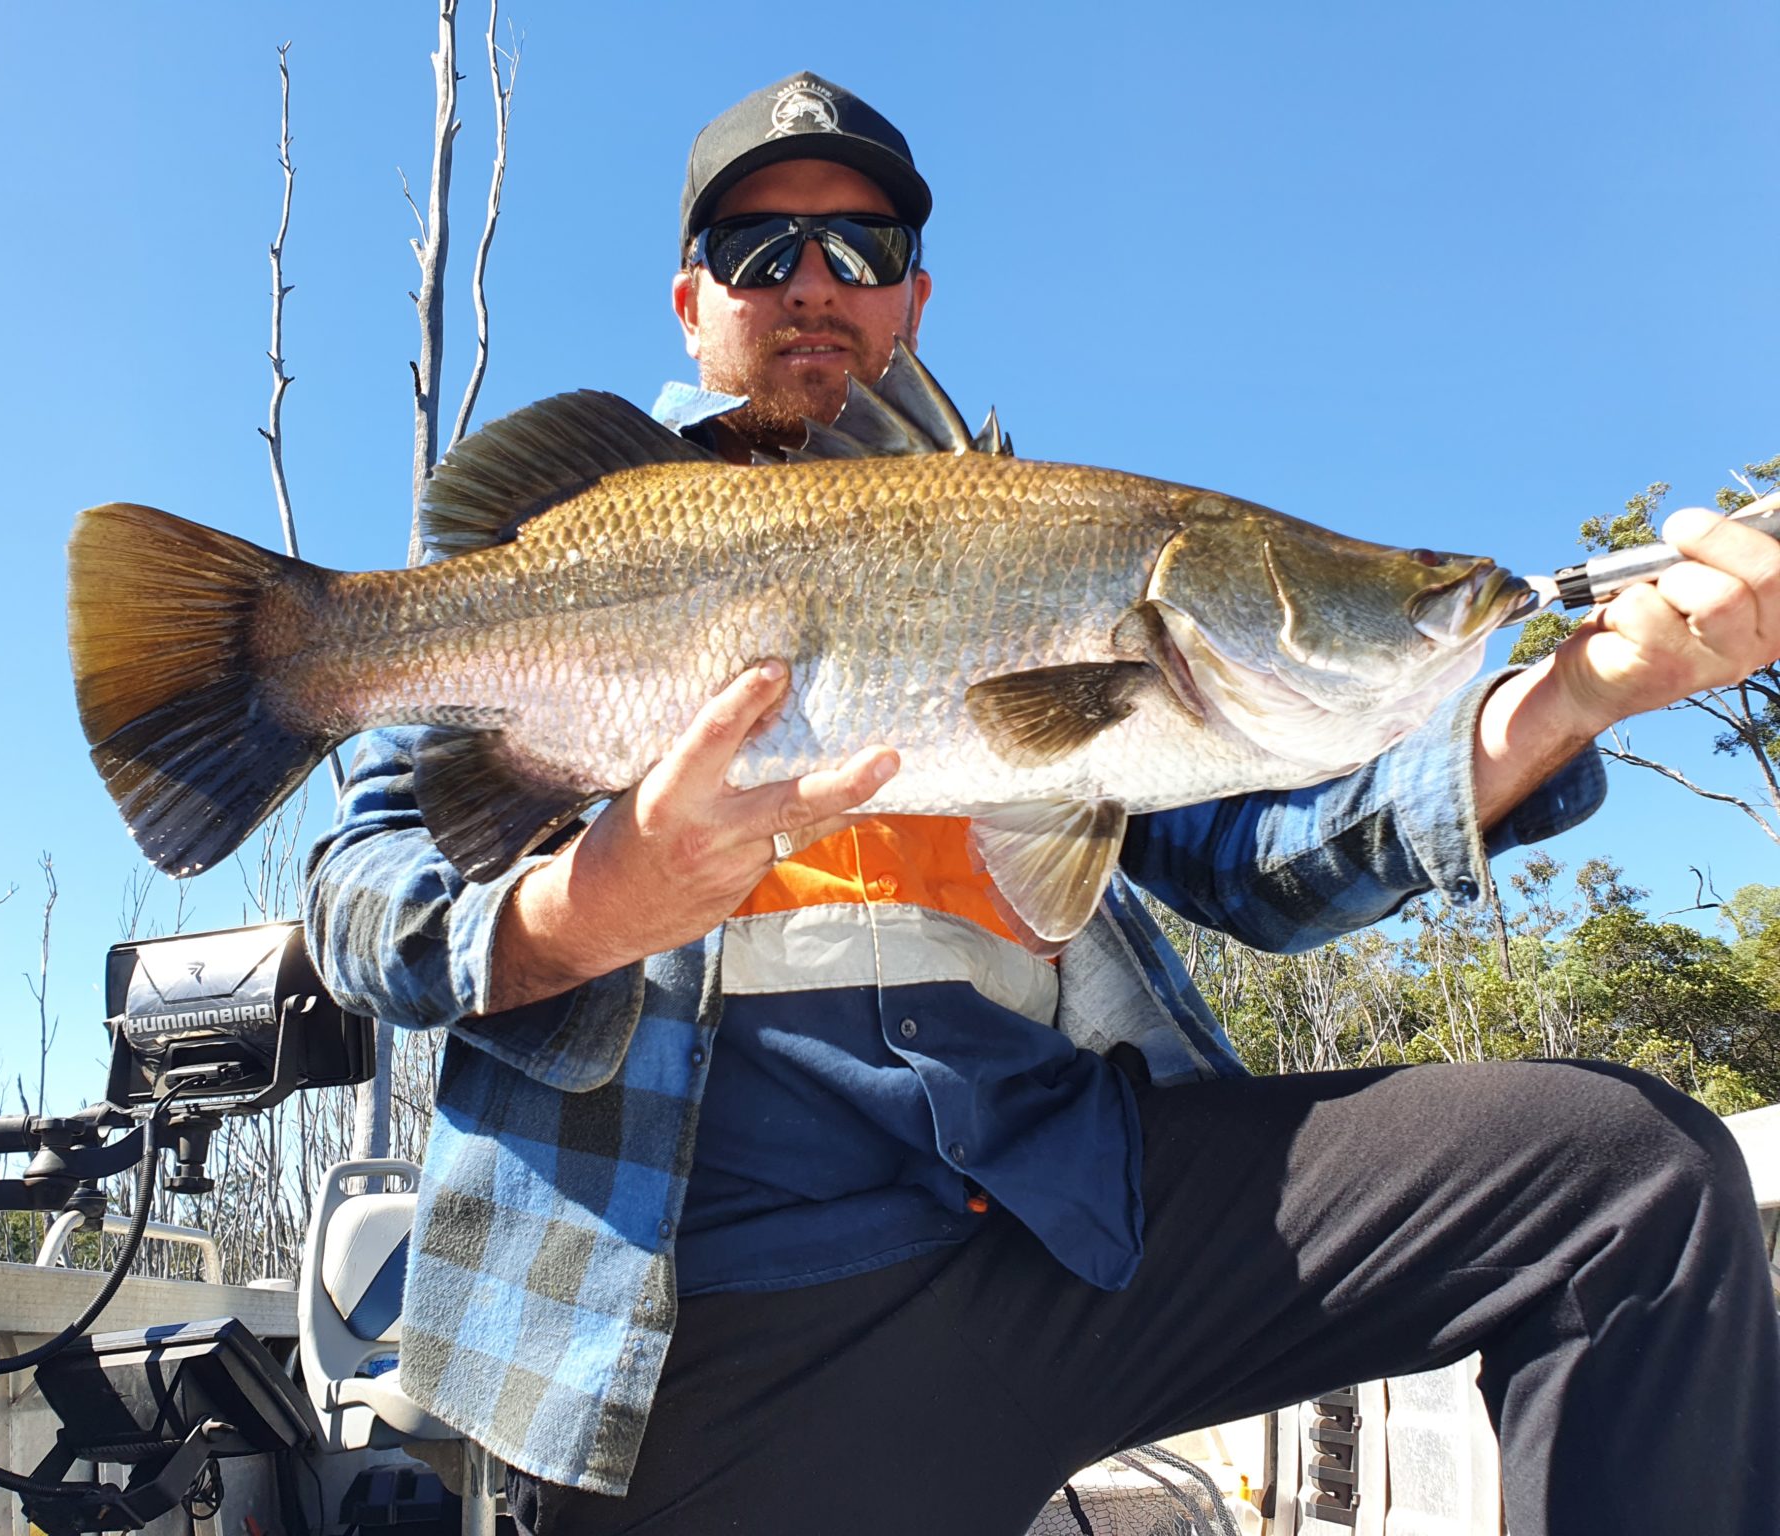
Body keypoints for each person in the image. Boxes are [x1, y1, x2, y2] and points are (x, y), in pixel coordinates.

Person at [305, 71, 1780, 1536]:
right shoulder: (565, 555)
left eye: (861, 249)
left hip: (1075, 1230)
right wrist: (589, 909)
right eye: (763, 249)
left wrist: (1571, 700)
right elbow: (360, 906)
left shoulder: (1044, 546)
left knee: (1630, 1184)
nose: (815, 283)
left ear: (914, 299)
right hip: (715, 1319)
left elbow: (1264, 867)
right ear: (691, 302)